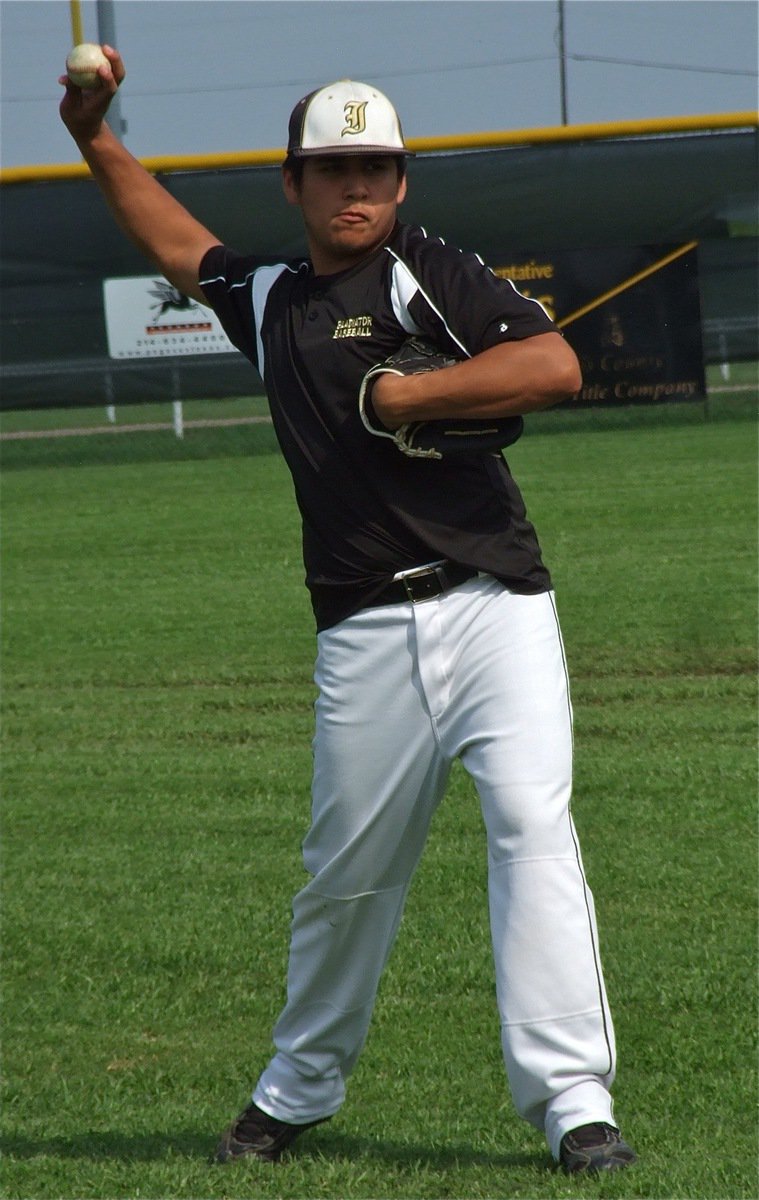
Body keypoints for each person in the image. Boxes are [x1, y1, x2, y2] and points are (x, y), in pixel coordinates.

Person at [59, 50, 636, 1176]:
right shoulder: (270, 299)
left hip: (494, 607)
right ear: (293, 184)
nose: (353, 185)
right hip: (364, 630)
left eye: (374, 164)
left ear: (403, 179)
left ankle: (575, 1105)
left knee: (533, 834)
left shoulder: (434, 275)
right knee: (346, 875)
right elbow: (175, 240)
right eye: (331, 167)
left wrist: (409, 394)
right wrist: (92, 138)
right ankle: (295, 1090)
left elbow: (557, 365)